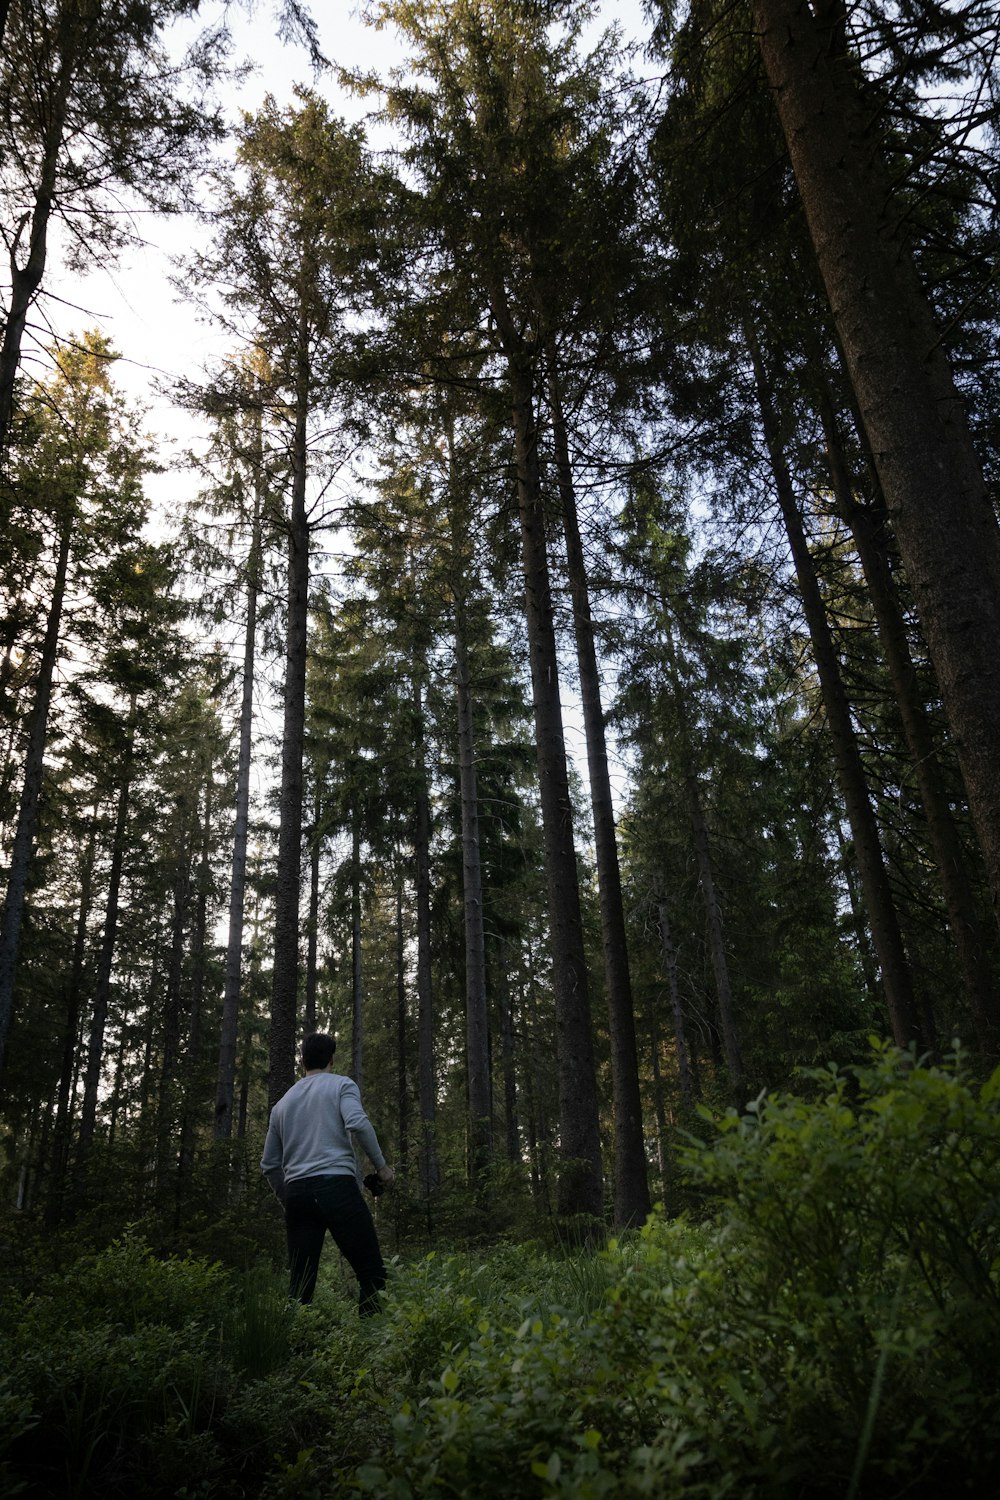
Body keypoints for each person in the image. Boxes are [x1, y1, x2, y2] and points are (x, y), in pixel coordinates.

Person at [261, 1031, 395, 1313]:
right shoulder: (341, 1085)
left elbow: (270, 1165)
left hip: (297, 1194)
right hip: (337, 1188)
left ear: (302, 1062)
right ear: (332, 1059)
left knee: (300, 1287)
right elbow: (357, 1123)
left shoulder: (281, 1105)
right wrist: (382, 1168)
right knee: (372, 1273)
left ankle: (297, 1348)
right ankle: (371, 1346)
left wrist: (291, 1200)